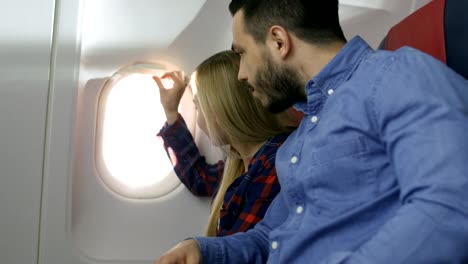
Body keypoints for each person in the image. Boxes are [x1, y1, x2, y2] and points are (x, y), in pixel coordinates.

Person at [155, 0, 468, 263]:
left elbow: (450, 206)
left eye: (241, 54)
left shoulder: (394, 77)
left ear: (279, 41)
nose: (241, 74)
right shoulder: (301, 139)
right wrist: (204, 250)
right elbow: (270, 238)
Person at [154, 50, 296, 237]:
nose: (199, 118)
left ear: (221, 108)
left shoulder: (274, 166)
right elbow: (200, 178)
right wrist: (172, 113)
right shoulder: (239, 161)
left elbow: (242, 250)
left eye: (198, 107)